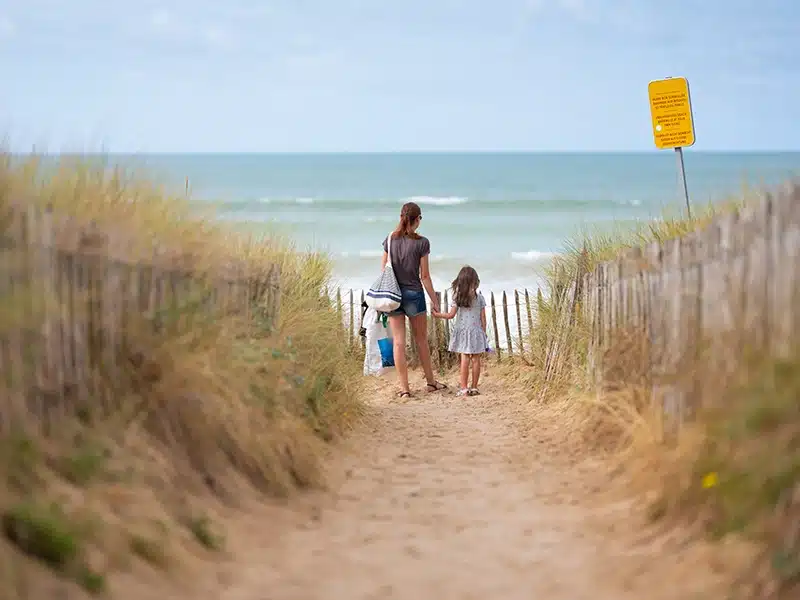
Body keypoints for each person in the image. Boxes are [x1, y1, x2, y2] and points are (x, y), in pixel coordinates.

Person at [381, 201, 448, 398]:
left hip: (394, 295)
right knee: (421, 341)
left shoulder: (390, 240)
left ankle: (405, 389)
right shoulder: (422, 243)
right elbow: (425, 276)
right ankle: (430, 382)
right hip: (414, 295)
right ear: (417, 219)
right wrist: (434, 301)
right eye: (420, 218)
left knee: (399, 343)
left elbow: (384, 269)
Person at [432, 265, 487, 397]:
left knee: (465, 359)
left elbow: (451, 315)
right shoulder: (479, 298)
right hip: (476, 331)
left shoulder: (458, 297)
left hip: (463, 332)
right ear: (475, 281)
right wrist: (483, 332)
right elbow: (483, 318)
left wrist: (438, 315)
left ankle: (463, 388)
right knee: (476, 359)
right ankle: (474, 387)